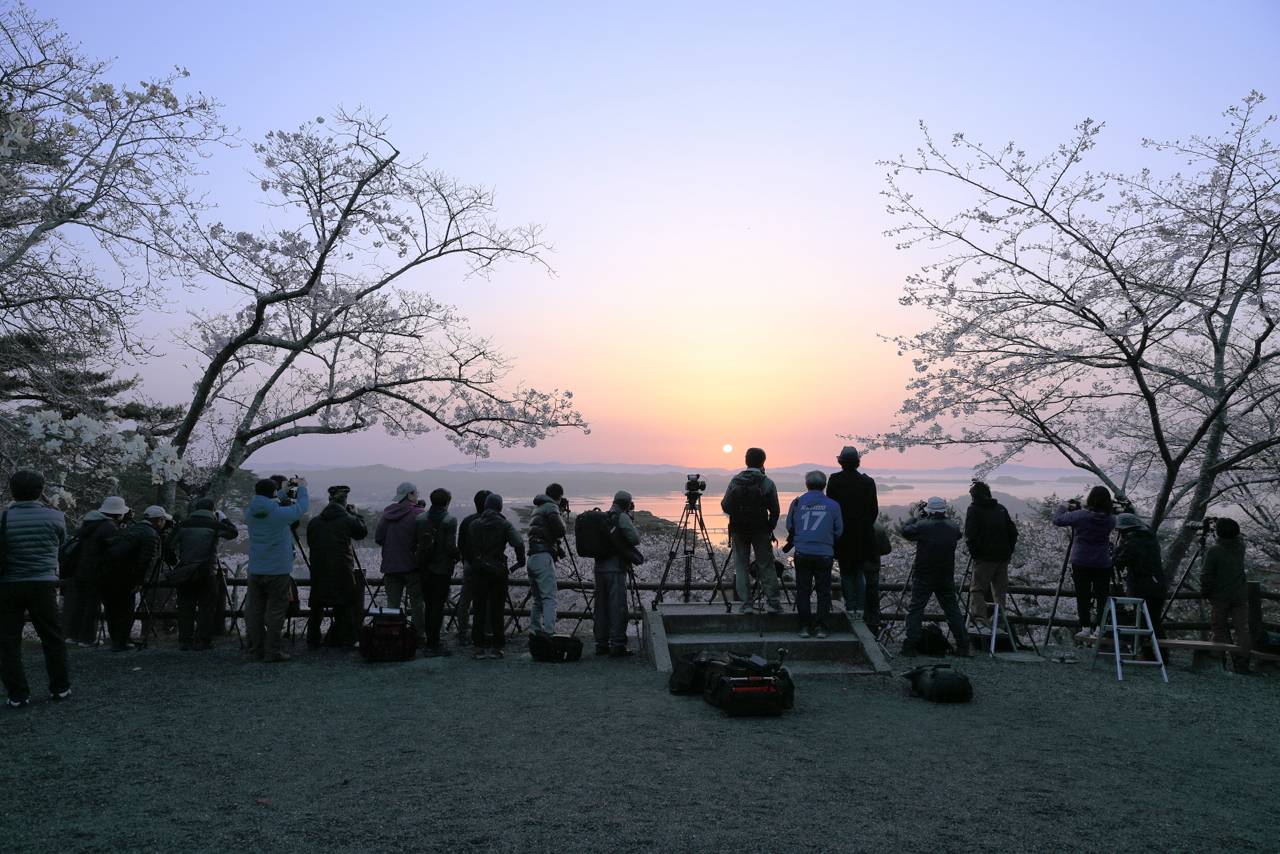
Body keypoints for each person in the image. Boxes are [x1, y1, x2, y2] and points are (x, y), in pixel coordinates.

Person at [0, 470, 71, 708]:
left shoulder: (3, 518)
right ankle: (60, 688)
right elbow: (61, 543)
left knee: (8, 642)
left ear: (12, 491)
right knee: (52, 637)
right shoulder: (56, 517)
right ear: (41, 492)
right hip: (43, 584)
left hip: (9, 585)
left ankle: (18, 694)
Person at [244, 476, 309, 662]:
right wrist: (302, 488)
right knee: (275, 613)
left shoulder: (250, 512)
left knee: (255, 612)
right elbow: (302, 507)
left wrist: (282, 490)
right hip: (278, 571)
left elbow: (269, 502)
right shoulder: (280, 515)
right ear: (273, 493)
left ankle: (255, 650)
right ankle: (272, 651)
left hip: (256, 569)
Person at [900, 497, 971, 658]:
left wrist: (915, 516)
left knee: (916, 609)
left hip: (923, 574)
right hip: (945, 575)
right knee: (952, 610)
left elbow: (905, 531)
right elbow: (958, 535)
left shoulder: (923, 526)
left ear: (929, 511)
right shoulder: (953, 527)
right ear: (944, 510)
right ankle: (963, 644)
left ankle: (911, 645)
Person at [166, 498, 238, 651]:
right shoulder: (214, 525)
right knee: (207, 606)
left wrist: (175, 562)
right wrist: (224, 518)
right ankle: (203, 640)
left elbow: (168, 546)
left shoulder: (183, 525)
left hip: (185, 569)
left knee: (186, 606)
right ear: (212, 510)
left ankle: (185, 640)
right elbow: (233, 533)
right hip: (207, 570)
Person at [305, 486, 367, 650]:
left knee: (317, 603)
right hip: (342, 567)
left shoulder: (315, 521)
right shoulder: (347, 519)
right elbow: (361, 533)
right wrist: (355, 514)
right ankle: (346, 639)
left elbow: (311, 542)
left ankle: (312, 639)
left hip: (319, 568)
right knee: (344, 602)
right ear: (344, 501)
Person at [463, 493, 524, 659]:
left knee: (479, 608)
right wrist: (520, 561)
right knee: (497, 609)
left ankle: (478, 647)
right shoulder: (504, 524)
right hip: (498, 570)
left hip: (479, 571)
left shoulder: (474, 524)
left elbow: (469, 549)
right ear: (500, 507)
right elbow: (518, 542)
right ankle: (497, 647)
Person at [826, 446, 881, 631]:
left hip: (842, 535)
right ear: (858, 462)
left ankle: (850, 606)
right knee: (859, 572)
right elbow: (874, 510)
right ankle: (860, 609)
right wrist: (864, 525)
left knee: (846, 572)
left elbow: (831, 508)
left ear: (840, 462)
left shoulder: (834, 481)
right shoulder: (867, 482)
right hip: (863, 535)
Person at [721, 447, 781, 614]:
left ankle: (746, 604)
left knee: (741, 565)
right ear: (763, 462)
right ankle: (773, 602)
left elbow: (725, 505)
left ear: (746, 461)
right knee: (766, 564)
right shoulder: (766, 482)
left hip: (739, 529)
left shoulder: (736, 480)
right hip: (761, 529)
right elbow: (775, 510)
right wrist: (770, 527)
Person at [1052, 486, 1117, 641]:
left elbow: (1057, 520)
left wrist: (1064, 506)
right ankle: (1100, 628)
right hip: (1102, 562)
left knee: (1083, 596)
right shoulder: (1111, 520)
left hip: (1081, 561)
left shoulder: (1081, 516)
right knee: (1102, 597)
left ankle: (1085, 628)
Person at [785, 471, 844, 638]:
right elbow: (839, 530)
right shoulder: (833, 505)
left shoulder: (797, 503)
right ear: (824, 485)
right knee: (823, 591)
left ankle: (804, 626)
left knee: (803, 591)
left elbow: (790, 525)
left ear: (807, 484)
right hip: (824, 553)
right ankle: (822, 628)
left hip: (802, 552)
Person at [103, 505, 167, 651]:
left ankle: (118, 640)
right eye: (163, 520)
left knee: (113, 608)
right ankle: (121, 642)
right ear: (159, 520)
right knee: (126, 609)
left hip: (110, 572)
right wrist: (139, 581)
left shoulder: (131, 529)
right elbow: (145, 560)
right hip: (126, 575)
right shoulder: (150, 534)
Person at [67, 496, 128, 646]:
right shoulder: (108, 527)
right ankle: (88, 638)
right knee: (92, 605)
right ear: (117, 513)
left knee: (80, 603)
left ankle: (74, 635)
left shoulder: (90, 524)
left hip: (81, 569)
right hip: (97, 570)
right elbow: (114, 551)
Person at [963, 481, 1019, 630]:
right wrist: (1008, 551)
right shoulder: (1000, 509)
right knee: (1000, 591)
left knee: (977, 589)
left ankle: (980, 619)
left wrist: (976, 554)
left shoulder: (974, 510)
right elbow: (1013, 532)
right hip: (1002, 557)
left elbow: (969, 535)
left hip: (984, 558)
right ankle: (999, 620)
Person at [1200, 517, 1253, 673]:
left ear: (1219, 533)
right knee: (1242, 629)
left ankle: (1218, 660)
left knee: (1218, 628)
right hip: (1240, 595)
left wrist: (1205, 591)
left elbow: (1206, 575)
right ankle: (1242, 663)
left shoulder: (1215, 550)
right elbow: (1238, 536)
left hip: (1220, 596)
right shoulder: (1240, 547)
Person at [376, 482, 425, 645]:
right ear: (410, 494)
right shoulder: (418, 514)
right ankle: (419, 635)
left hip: (390, 565)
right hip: (412, 566)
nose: (417, 495)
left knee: (392, 603)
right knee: (417, 603)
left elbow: (379, 538)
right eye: (416, 493)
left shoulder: (387, 514)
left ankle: (392, 633)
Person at [593, 490, 641, 657]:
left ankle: (601, 643)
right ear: (627, 504)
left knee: (601, 606)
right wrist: (629, 518)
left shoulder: (604, 517)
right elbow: (635, 539)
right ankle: (618, 644)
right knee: (617, 606)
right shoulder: (621, 517)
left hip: (599, 568)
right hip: (615, 568)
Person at [1113, 512, 1166, 659]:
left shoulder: (1133, 542)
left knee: (1145, 620)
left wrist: (1117, 548)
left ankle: (1150, 654)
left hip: (1143, 586)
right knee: (1154, 620)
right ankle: (1161, 654)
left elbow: (1119, 561)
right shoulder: (1150, 537)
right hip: (1158, 584)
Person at [415, 487, 459, 657]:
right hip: (442, 569)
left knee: (428, 604)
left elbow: (415, 542)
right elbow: (450, 546)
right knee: (437, 606)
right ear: (448, 502)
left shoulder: (420, 519)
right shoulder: (450, 520)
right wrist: (458, 555)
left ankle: (429, 641)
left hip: (424, 568)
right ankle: (435, 643)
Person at [526, 485, 568, 638]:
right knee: (549, 598)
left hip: (532, 557)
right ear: (559, 496)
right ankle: (549, 632)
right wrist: (560, 513)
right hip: (543, 556)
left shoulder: (538, 508)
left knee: (537, 600)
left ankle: (535, 630)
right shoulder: (551, 506)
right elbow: (561, 531)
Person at [454, 489, 491, 647]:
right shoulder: (493, 521)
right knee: (489, 598)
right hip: (489, 565)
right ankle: (487, 631)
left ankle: (463, 631)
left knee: (465, 598)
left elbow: (460, 545)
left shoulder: (467, 521)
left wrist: (466, 560)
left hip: (470, 564)